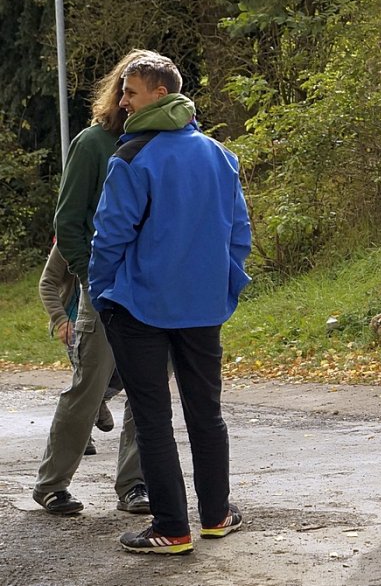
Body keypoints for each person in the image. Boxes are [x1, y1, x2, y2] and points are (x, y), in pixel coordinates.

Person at [88, 53, 252, 555]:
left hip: (139, 307)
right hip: (203, 307)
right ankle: (217, 515)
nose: (123, 101)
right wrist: (225, 287)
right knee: (206, 414)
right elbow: (239, 235)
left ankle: (171, 528)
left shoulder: (132, 156)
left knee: (152, 419)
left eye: (130, 92)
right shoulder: (220, 155)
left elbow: (109, 235)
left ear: (160, 94)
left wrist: (102, 291)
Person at [33, 50, 156, 516]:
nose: (126, 101)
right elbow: (68, 222)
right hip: (103, 287)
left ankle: (134, 485)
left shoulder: (163, 143)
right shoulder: (92, 143)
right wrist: (90, 278)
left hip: (153, 290)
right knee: (88, 389)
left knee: (147, 392)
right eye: (123, 91)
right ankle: (52, 484)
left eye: (134, 92)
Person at [38, 242, 119, 456]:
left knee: (119, 374)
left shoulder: (117, 235)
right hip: (76, 323)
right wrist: (61, 320)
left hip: (113, 319)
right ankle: (82, 437)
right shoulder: (67, 242)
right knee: (87, 381)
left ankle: (99, 400)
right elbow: (47, 283)